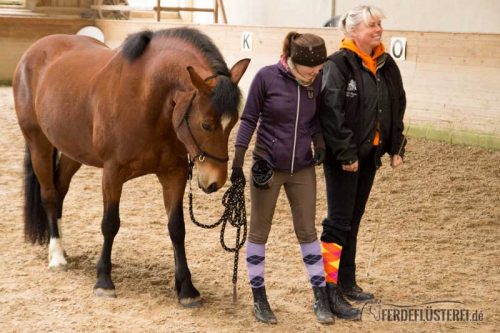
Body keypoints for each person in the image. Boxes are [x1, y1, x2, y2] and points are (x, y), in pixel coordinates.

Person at [230, 32, 333, 325]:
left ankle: (320, 296)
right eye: (311, 68)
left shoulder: (316, 82)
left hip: (301, 168)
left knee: (308, 232)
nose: (317, 72)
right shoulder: (266, 78)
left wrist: (320, 143)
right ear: (294, 62)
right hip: (267, 167)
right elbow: (249, 118)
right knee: (259, 233)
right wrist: (239, 160)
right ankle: (259, 298)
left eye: (319, 67)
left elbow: (314, 121)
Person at [319, 5, 407, 320]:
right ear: (353, 31)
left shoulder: (385, 63)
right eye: (372, 25)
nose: (378, 29)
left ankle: (347, 281)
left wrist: (395, 145)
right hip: (344, 159)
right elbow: (331, 111)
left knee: (353, 221)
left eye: (379, 23)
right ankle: (328, 290)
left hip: (369, 157)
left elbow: (397, 102)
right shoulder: (339, 64)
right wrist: (345, 154)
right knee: (338, 223)